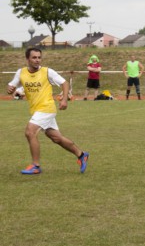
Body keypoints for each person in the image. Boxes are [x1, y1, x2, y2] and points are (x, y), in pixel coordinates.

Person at [6, 47, 89, 175]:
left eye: (39, 57)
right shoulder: (21, 72)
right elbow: (12, 85)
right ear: (27, 59)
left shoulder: (47, 72)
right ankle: (81, 155)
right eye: (34, 57)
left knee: (30, 131)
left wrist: (64, 100)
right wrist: (10, 89)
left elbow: (65, 83)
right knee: (56, 138)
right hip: (36, 110)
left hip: (47, 108)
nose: (37, 60)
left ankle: (35, 166)